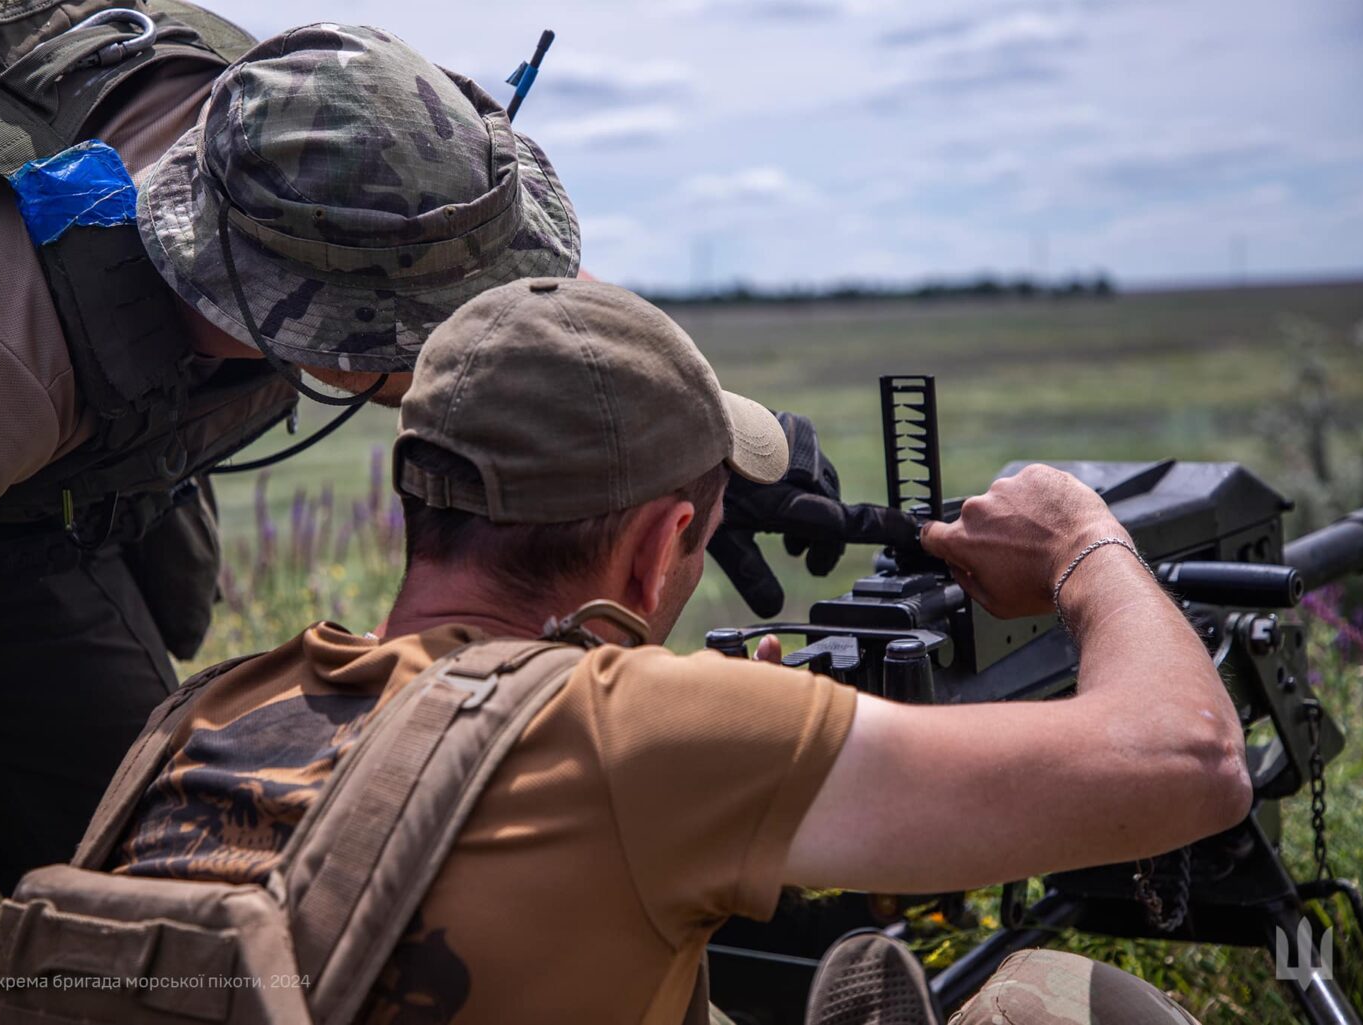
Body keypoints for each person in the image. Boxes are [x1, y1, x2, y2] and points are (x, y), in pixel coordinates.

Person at [0, 13, 875, 902]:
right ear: (319, 329)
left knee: (185, 889)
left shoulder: (310, 129)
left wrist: (718, 439)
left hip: (15, 511)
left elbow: (495, 295)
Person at [105, 278, 1251, 1024]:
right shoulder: (633, 729)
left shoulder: (200, 715)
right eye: (701, 531)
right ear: (659, 551)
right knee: (1056, 1001)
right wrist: (1084, 540)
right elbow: (1190, 762)